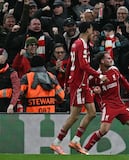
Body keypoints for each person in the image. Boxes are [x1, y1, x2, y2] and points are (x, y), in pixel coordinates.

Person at [50, 22, 107, 155]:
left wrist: (65, 83)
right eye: (92, 29)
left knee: (92, 113)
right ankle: (56, 143)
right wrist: (99, 75)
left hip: (83, 83)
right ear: (88, 30)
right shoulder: (81, 44)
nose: (93, 32)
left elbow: (70, 63)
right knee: (74, 116)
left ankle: (76, 140)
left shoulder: (77, 43)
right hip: (78, 83)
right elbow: (83, 65)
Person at [0, 48, 20, 113]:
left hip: (7, 107)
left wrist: (12, 105)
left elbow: (16, 90)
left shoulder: (12, 73)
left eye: (1, 55)